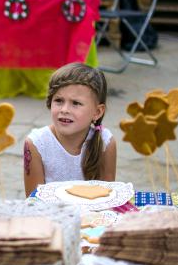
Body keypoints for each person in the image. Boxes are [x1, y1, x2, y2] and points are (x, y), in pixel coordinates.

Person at [24, 62, 117, 197]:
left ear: (97, 112)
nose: (64, 110)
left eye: (76, 103)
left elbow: (108, 198)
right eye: (59, 100)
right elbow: (33, 201)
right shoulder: (36, 143)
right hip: (50, 215)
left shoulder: (105, 142)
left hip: (91, 216)